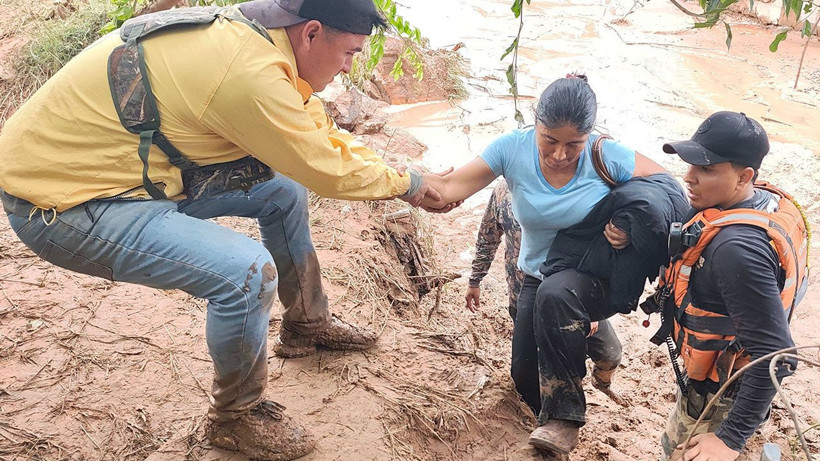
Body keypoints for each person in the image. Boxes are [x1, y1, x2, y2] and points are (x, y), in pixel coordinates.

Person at [0, 1, 442, 460]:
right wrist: (411, 186)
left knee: (282, 190)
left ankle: (307, 324)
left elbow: (313, 130)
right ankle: (236, 418)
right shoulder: (248, 74)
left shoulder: (256, 36)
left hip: (116, 169)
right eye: (349, 52)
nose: (350, 67)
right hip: (63, 203)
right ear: (311, 33)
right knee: (246, 274)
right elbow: (325, 169)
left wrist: (399, 174)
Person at [420, 73, 669, 454]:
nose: (559, 155)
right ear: (535, 124)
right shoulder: (511, 149)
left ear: (590, 135)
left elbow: (668, 189)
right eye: (549, 140)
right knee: (523, 373)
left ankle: (565, 417)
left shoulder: (606, 154)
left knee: (567, 308)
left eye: (574, 145)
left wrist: (631, 222)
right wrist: (407, 185)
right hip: (536, 273)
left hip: (587, 275)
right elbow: (451, 187)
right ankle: (549, 416)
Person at [656, 111, 807, 461]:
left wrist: (729, 439)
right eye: (690, 164)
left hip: (724, 395)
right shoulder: (765, 203)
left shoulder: (736, 250)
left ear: (744, 177)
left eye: (706, 169)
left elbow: (778, 356)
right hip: (725, 377)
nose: (688, 177)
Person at [465, 180, 623, 393]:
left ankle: (602, 382)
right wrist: (475, 279)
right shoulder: (504, 192)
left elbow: (597, 250)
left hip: (573, 296)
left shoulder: (576, 190)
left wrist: (593, 311)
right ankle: (537, 416)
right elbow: (487, 237)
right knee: (527, 368)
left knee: (610, 354)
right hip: (523, 295)